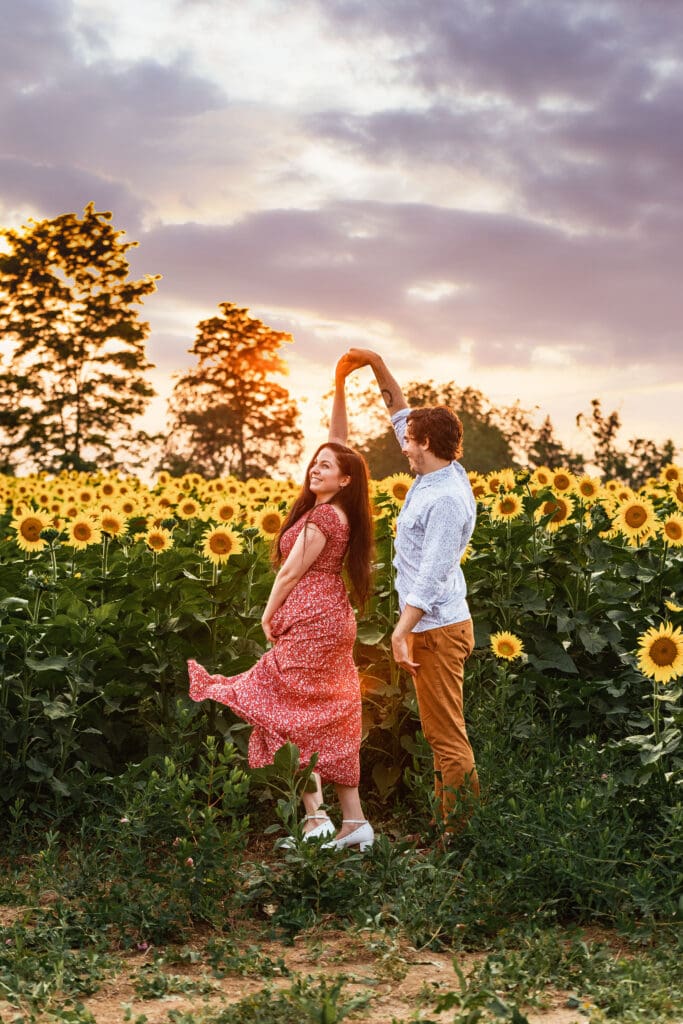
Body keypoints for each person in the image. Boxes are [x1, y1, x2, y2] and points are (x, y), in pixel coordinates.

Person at [188, 360, 375, 852]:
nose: (316, 467)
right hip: (333, 620)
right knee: (327, 713)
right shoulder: (341, 511)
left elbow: (290, 572)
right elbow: (340, 442)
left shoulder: (322, 519)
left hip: (311, 622)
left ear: (346, 479)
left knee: (286, 709)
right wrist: (337, 385)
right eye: (314, 462)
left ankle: (316, 821)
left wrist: (267, 614)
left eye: (326, 466)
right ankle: (353, 824)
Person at [338, 348, 478, 833]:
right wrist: (375, 363)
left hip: (435, 629)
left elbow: (433, 575)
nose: (403, 447)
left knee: (445, 739)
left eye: (409, 442)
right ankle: (453, 829)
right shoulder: (440, 469)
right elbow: (398, 409)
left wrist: (402, 631)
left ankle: (461, 839)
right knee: (442, 735)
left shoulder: (445, 499)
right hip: (435, 624)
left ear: (424, 444)